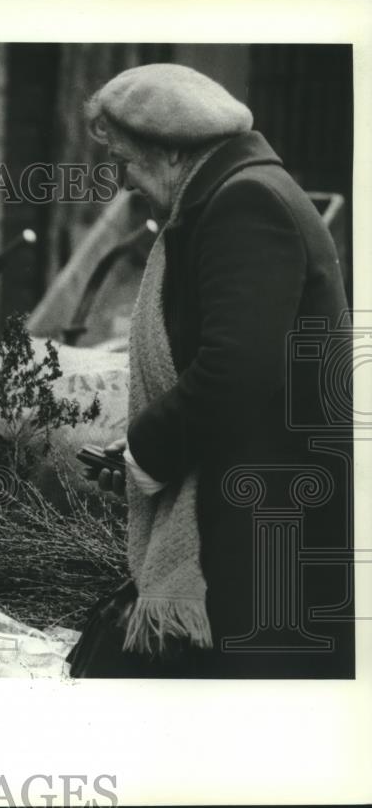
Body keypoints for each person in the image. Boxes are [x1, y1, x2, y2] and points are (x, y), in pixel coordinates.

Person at [69, 64, 353, 678]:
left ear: (171, 149)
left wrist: (145, 452)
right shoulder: (235, 195)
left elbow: (234, 369)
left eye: (126, 160)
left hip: (273, 521)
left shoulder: (245, 204)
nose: (122, 179)